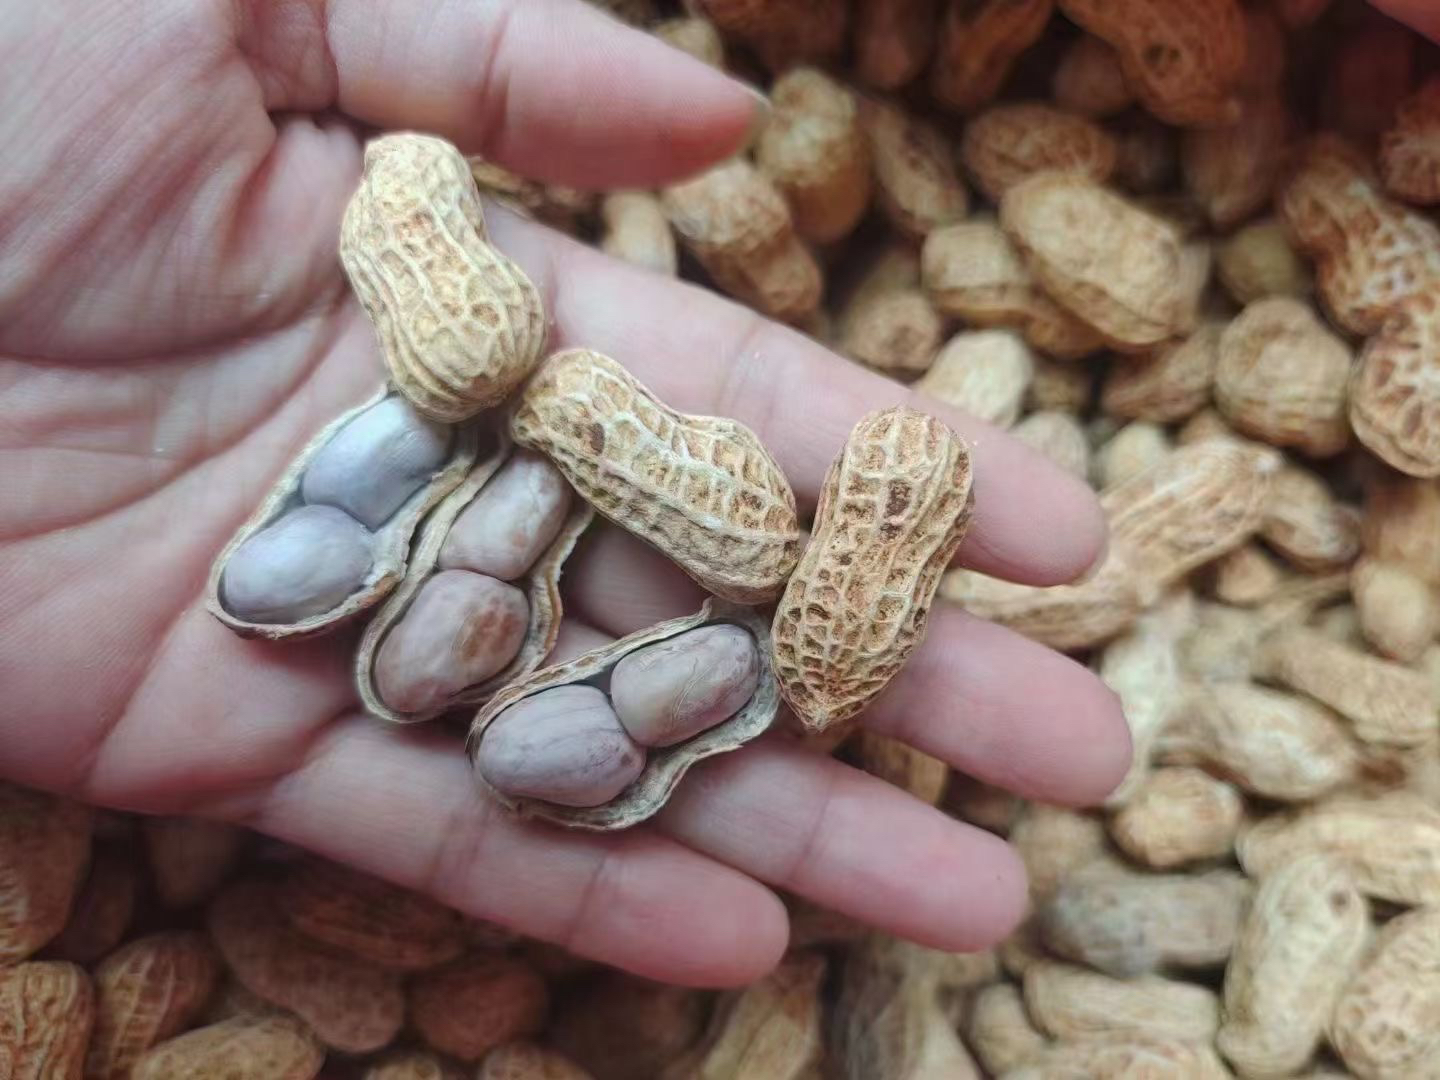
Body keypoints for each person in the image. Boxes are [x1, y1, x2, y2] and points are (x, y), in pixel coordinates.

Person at [20, 0, 1422, 989]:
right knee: (567, 486)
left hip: (632, 533)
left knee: (682, 531)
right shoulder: (496, 410)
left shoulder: (563, 439)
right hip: (524, 492)